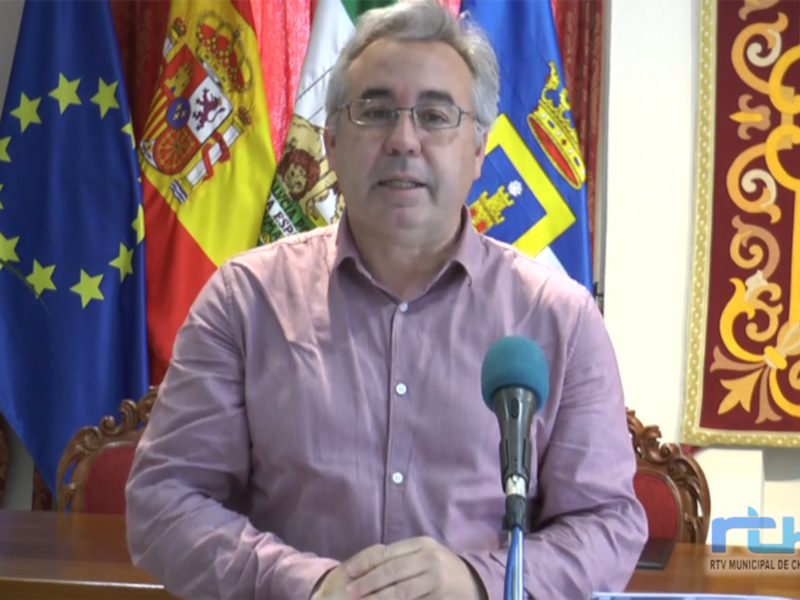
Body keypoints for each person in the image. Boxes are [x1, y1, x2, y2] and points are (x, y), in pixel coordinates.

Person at [125, 2, 648, 599]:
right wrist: (307, 585)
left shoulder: (561, 319)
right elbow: (162, 502)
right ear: (332, 143)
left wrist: (479, 584)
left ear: (478, 150)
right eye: (375, 112)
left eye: (435, 114)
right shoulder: (245, 303)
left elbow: (609, 524)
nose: (404, 140)